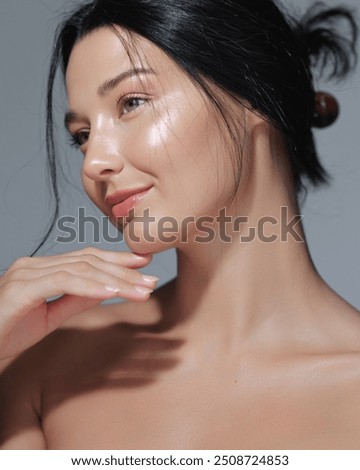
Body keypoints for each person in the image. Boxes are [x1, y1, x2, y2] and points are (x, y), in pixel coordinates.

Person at [0, 0, 359, 450]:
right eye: (83, 136)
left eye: (132, 103)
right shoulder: (45, 365)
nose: (94, 163)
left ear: (255, 91)